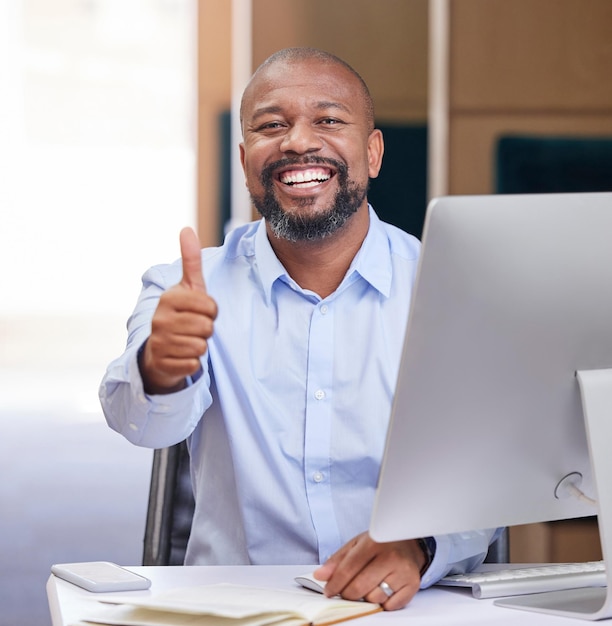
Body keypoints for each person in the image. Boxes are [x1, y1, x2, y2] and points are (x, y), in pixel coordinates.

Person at [100, 47, 499, 611]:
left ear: (373, 151)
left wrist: (420, 548)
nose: (297, 142)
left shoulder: (453, 288)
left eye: (329, 120)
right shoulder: (185, 287)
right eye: (272, 125)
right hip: (234, 610)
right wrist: (161, 369)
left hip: (410, 605)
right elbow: (140, 424)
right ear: (245, 161)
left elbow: (490, 472)